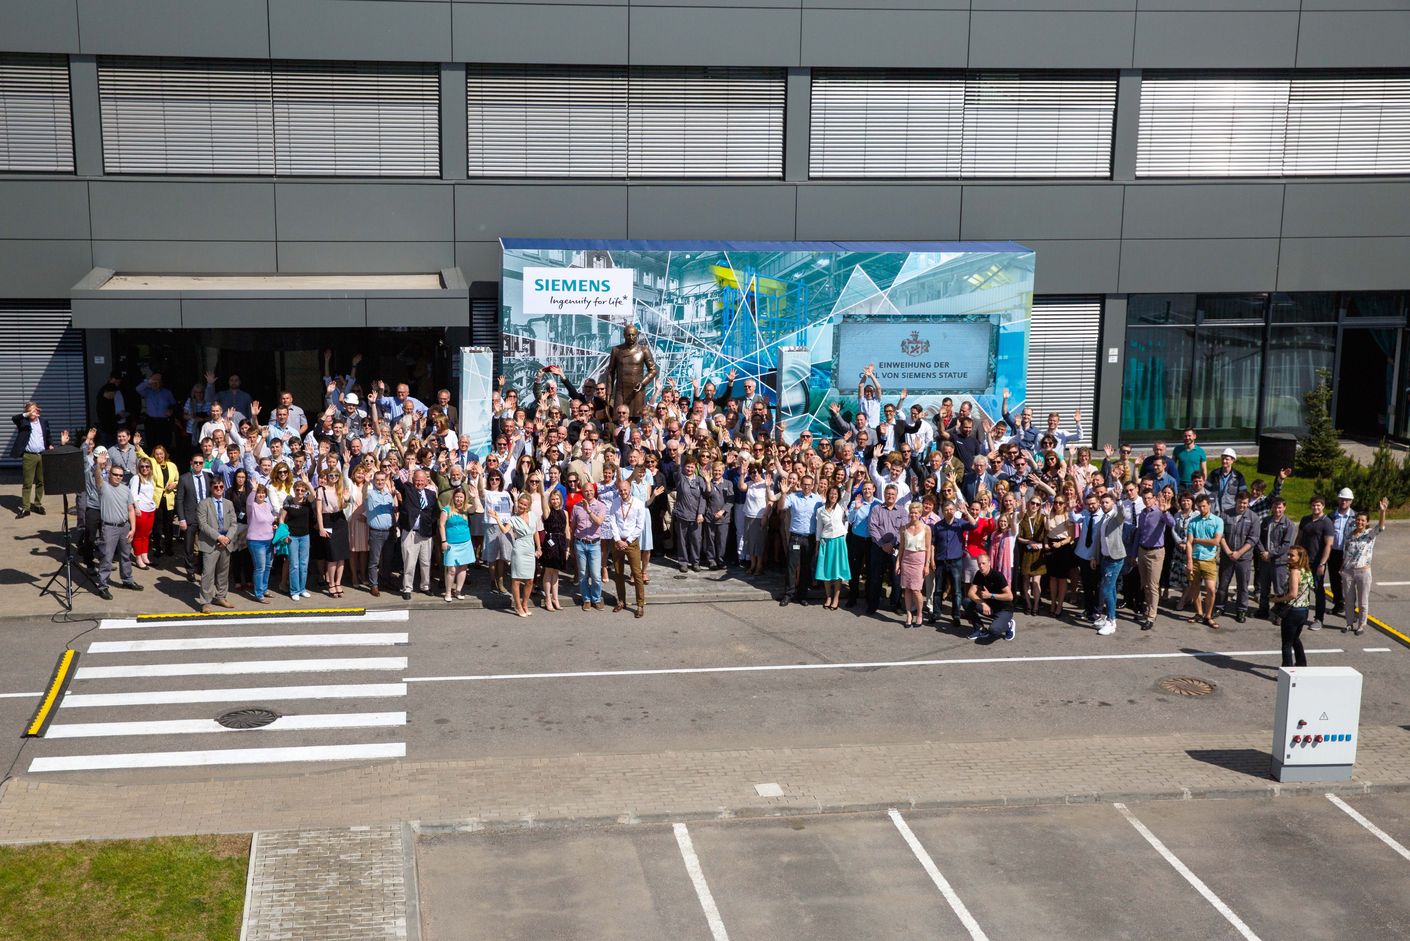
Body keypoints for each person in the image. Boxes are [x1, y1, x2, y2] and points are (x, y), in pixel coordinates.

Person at [92, 462, 144, 600]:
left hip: (124, 526)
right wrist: (98, 464)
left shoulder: (126, 489)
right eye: (115, 474)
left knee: (126, 555)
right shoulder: (103, 487)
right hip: (109, 527)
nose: (118, 477)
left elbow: (131, 509)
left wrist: (133, 528)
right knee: (107, 557)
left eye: (120, 475)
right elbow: (97, 476)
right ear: (109, 475)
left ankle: (127, 580)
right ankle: (102, 586)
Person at [1341, 498, 1388, 636]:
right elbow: (1346, 554)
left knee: (1363, 601)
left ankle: (1361, 625)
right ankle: (1349, 623)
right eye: (1358, 519)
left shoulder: (1369, 535)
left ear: (1367, 522)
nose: (1359, 522)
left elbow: (1381, 526)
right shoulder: (1349, 535)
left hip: (1363, 571)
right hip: (1348, 571)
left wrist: (1382, 512)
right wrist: (1342, 568)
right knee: (1348, 601)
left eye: (1363, 520)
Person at [491, 493, 539, 617]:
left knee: (530, 580)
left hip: (530, 549)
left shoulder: (533, 516)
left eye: (525, 504)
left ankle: (525, 604)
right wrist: (497, 519)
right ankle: (518, 606)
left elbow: (536, 533)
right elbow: (505, 530)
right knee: (516, 579)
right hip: (519, 549)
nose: (522, 506)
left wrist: (539, 547)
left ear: (528, 506)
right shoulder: (513, 518)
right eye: (520, 503)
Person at [1134, 490, 1176, 630]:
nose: (1147, 500)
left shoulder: (1159, 512)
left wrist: (1165, 512)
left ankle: (1151, 616)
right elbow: (1139, 534)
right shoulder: (1142, 514)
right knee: (1144, 584)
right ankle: (1148, 609)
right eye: (1144, 498)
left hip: (1156, 553)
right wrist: (1134, 553)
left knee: (1153, 585)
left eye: (1149, 498)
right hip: (1142, 551)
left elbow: (1172, 523)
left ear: (1154, 499)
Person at [606, 477, 647, 618]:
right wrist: (617, 539)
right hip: (617, 542)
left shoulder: (639, 504)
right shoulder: (615, 503)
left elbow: (639, 526)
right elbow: (612, 521)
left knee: (637, 574)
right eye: (621, 490)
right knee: (618, 573)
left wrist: (627, 541)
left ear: (630, 490)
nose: (623, 492)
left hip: (631, 543)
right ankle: (621, 601)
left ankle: (640, 605)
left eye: (625, 490)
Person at [780, 474, 824, 607]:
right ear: (801, 484)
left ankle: (802, 595)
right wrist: (783, 493)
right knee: (791, 566)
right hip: (796, 537)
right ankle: (788, 594)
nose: (806, 486)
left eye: (809, 484)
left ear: (812, 485)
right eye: (804, 484)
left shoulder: (817, 500)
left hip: (810, 538)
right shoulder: (793, 497)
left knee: (806, 568)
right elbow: (782, 507)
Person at [931, 499, 974, 632]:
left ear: (955, 510)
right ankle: (936, 613)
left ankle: (956, 615)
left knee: (956, 591)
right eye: (946, 510)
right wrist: (931, 560)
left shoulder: (960, 523)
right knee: (938, 589)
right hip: (940, 561)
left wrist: (966, 512)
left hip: (955, 561)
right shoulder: (937, 526)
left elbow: (974, 525)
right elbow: (933, 544)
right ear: (943, 512)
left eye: (951, 509)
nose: (949, 512)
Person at [396, 469, 439, 600]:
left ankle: (425, 586)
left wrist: (430, 524)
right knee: (409, 562)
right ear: (413, 481)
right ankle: (407, 588)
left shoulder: (431, 494)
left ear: (426, 481)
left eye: (422, 480)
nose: (419, 482)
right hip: (410, 532)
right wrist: (395, 475)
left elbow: (435, 512)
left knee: (426, 562)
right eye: (417, 480)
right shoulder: (409, 490)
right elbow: (399, 485)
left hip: (426, 533)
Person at [1216, 491, 1259, 623]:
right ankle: (1219, 607)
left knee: (1243, 586)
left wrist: (1239, 553)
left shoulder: (1253, 517)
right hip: (1226, 556)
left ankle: (1241, 610)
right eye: (1240, 502)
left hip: (1244, 558)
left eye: (1245, 503)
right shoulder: (1225, 514)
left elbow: (1253, 539)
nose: (1242, 505)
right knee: (1223, 584)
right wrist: (1228, 551)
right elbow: (1220, 535)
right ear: (1236, 501)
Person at [195, 478, 236, 612]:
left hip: (226, 543)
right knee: (208, 573)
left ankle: (221, 597)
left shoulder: (229, 503)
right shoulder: (203, 504)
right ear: (211, 488)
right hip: (211, 542)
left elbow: (234, 524)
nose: (219, 489)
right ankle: (206, 601)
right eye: (216, 487)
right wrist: (218, 537)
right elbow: (203, 525)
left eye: (221, 487)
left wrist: (227, 538)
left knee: (223, 572)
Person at [1270, 546, 1315, 667]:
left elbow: (1293, 594)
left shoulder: (1295, 572)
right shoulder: (1307, 570)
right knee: (1295, 638)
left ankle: (1287, 670)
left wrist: (1277, 599)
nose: (1289, 557)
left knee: (1287, 643)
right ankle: (1301, 663)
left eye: (1292, 555)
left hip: (1293, 611)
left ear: (1299, 558)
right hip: (1304, 610)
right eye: (1288, 555)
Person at [867, 484, 908, 614]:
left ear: (896, 496)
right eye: (888, 494)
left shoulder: (902, 511)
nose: (890, 496)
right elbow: (872, 527)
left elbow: (903, 529)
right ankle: (873, 605)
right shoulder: (876, 509)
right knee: (875, 577)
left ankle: (896, 605)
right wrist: (883, 544)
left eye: (892, 494)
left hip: (895, 548)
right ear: (884, 494)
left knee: (896, 578)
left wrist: (891, 543)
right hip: (878, 547)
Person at [1186, 494, 1225, 629]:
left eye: (1204, 506)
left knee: (1211, 589)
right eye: (1199, 506)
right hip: (1195, 559)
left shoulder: (1218, 521)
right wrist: (1189, 561)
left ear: (1209, 505)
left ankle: (1208, 616)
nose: (1202, 509)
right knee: (1194, 587)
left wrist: (1198, 540)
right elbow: (1189, 543)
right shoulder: (1193, 521)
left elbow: (1216, 541)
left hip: (1209, 560)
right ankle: (1198, 613)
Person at [1296, 495, 1336, 629]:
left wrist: (1322, 563)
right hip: (1303, 562)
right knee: (1302, 590)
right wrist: (1295, 556)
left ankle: (1319, 619)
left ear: (1323, 506)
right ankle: (1301, 616)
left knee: (1318, 591)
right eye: (1313, 505)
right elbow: (1299, 538)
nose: (1316, 507)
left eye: (1318, 505)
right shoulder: (1305, 520)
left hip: (1316, 563)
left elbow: (1328, 545)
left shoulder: (1327, 522)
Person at [11, 401, 56, 518]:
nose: (33, 412)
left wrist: (50, 445)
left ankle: (37, 504)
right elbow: (14, 418)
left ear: (38, 410)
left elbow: (48, 435)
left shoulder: (43, 421)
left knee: (41, 481)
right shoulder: (23, 422)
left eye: (34, 409)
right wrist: (26, 414)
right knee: (28, 483)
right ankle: (26, 508)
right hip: (29, 456)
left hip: (42, 454)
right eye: (30, 410)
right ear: (27, 411)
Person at [1256, 496, 1296, 622]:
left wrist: (1271, 554)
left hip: (1279, 562)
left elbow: (1286, 545)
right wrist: (1263, 552)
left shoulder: (1289, 525)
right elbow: (1259, 538)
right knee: (1264, 588)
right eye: (1274, 507)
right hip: (1265, 560)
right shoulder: (1266, 521)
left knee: (1279, 589)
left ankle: (1279, 613)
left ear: (1284, 508)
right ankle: (1263, 610)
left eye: (1279, 507)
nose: (1277, 509)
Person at [1093, 490, 1127, 636]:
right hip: (1105, 558)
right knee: (1110, 589)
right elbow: (1099, 540)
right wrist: (1095, 557)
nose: (1104, 505)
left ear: (1112, 503)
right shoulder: (1103, 518)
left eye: (1107, 502)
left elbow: (1122, 514)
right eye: (1102, 502)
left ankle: (1111, 621)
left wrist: (1119, 500)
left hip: (1116, 558)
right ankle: (1109, 616)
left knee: (1106, 589)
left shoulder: (1115, 517)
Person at [176, 453, 215, 580]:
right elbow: (179, 499)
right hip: (189, 516)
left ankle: (202, 569)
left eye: (200, 463)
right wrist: (181, 518)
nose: (198, 465)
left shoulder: (209, 477)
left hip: (205, 517)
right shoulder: (184, 478)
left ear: (203, 464)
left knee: (206, 544)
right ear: (191, 463)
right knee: (189, 545)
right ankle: (190, 570)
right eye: (195, 462)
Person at [571, 482, 608, 610]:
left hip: (594, 544)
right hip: (580, 543)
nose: (589, 493)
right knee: (583, 574)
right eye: (586, 491)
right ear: (582, 492)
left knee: (596, 575)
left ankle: (596, 598)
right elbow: (573, 526)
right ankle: (586, 599)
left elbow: (599, 522)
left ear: (594, 491)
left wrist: (588, 511)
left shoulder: (601, 506)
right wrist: (571, 544)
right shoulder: (576, 507)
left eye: (591, 490)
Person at [964, 551, 1015, 642]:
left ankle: (1008, 625)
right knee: (966, 602)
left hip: (1004, 610)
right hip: (990, 608)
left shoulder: (998, 576)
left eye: (983, 563)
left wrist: (990, 595)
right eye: (979, 564)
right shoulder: (979, 574)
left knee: (993, 630)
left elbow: (1010, 596)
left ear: (989, 563)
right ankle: (979, 629)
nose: (981, 566)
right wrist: (983, 603)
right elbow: (970, 593)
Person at [814, 484, 851, 610]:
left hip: (839, 541)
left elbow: (848, 494)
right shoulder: (820, 510)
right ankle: (828, 596)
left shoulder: (841, 506)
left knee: (837, 571)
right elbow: (819, 529)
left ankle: (836, 598)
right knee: (826, 571)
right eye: (831, 493)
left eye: (836, 494)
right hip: (826, 542)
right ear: (827, 495)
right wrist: (817, 545)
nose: (833, 496)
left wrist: (851, 476)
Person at [896, 500, 932, 629]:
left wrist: (927, 564)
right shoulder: (904, 528)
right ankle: (909, 614)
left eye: (916, 513)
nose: (913, 515)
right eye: (911, 512)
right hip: (906, 559)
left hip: (919, 560)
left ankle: (919, 614)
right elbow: (901, 547)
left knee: (916, 589)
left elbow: (928, 548)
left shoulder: (926, 528)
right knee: (907, 589)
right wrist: (898, 563)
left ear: (920, 513)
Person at [278, 480, 315, 600]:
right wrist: (284, 534)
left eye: (302, 490)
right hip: (292, 536)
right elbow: (281, 519)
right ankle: (294, 590)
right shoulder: (288, 502)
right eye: (298, 490)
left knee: (304, 564)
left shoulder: (307, 502)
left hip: (305, 536)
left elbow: (314, 495)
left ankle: (302, 589)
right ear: (294, 490)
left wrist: (307, 483)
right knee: (294, 564)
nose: (300, 492)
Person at [315, 474, 349, 598]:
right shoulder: (321, 490)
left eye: (336, 475)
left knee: (341, 555)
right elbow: (319, 511)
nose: (333, 477)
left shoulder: (340, 489)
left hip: (340, 520)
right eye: (331, 475)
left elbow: (343, 507)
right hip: (327, 520)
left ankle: (338, 583)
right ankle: (331, 584)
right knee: (332, 555)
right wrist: (321, 527)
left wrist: (345, 499)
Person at [672, 456, 708, 572]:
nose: (690, 469)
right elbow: (676, 469)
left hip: (696, 515)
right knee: (682, 540)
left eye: (692, 467)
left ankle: (695, 562)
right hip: (682, 514)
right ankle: (683, 562)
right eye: (688, 466)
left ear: (695, 468)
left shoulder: (699, 480)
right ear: (684, 467)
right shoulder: (680, 478)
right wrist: (679, 456)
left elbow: (703, 498)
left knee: (696, 539)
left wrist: (701, 513)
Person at [365, 470, 398, 597]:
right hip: (376, 532)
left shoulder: (389, 495)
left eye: (382, 480)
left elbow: (392, 513)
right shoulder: (370, 493)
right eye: (377, 480)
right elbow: (364, 495)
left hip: (388, 531)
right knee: (374, 561)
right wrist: (366, 484)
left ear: (385, 481)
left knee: (388, 559)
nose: (380, 482)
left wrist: (394, 528)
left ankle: (386, 581)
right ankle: (374, 585)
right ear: (374, 481)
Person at [439, 488, 475, 602]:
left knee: (463, 568)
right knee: (451, 569)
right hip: (451, 544)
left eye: (461, 497)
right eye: (457, 496)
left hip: (465, 542)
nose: (459, 499)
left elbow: (477, 509)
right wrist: (443, 541)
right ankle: (448, 592)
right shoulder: (446, 510)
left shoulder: (465, 509)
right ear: (453, 497)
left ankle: (458, 591)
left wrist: (475, 497)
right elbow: (441, 525)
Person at [1327, 487, 1357, 618]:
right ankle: (1338, 604)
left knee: (1348, 581)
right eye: (1342, 499)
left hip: (1348, 555)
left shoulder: (1356, 517)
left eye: (1347, 500)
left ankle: (1351, 607)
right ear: (1338, 500)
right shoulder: (1331, 516)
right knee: (1334, 580)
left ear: (1351, 501)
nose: (1344, 502)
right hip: (1333, 552)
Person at [540, 487, 569, 610]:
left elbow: (567, 530)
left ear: (560, 500)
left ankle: (555, 598)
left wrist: (568, 548)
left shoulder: (565, 513)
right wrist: (541, 483)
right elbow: (542, 497)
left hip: (561, 542)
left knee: (556, 571)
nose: (555, 501)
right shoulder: (547, 511)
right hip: (550, 541)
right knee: (548, 571)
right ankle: (547, 598)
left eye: (557, 499)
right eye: (553, 499)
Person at [246, 484, 276, 603]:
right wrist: (253, 489)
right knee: (260, 568)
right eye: (259, 492)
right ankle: (258, 594)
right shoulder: (251, 506)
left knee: (268, 567)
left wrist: (273, 525)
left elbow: (269, 520)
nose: (261, 495)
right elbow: (249, 500)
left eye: (263, 493)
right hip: (256, 541)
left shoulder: (267, 505)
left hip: (269, 539)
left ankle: (264, 589)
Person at [128, 457, 159, 569]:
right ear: (138, 468)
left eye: (147, 466)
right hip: (141, 510)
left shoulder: (150, 479)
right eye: (142, 466)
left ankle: (145, 556)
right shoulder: (136, 478)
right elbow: (133, 495)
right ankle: (138, 558)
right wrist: (136, 508)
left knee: (146, 535)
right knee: (138, 535)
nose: (145, 468)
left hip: (150, 509)